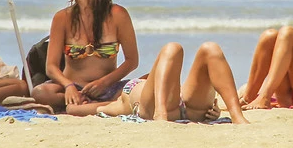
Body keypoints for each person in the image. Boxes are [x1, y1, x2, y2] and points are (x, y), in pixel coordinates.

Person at [31, 0, 139, 114]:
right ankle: (108, 105)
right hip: (72, 88)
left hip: (109, 87)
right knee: (40, 93)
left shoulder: (118, 15)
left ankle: (88, 105)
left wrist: (104, 82)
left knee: (149, 80)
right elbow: (51, 67)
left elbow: (132, 61)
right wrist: (68, 86)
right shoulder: (62, 18)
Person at [97, 41, 250, 124]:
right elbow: (99, 109)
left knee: (210, 48)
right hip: (165, 108)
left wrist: (217, 111)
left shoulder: (144, 85)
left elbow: (97, 109)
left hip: (184, 107)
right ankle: (161, 114)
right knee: (172, 48)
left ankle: (237, 115)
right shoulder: (122, 98)